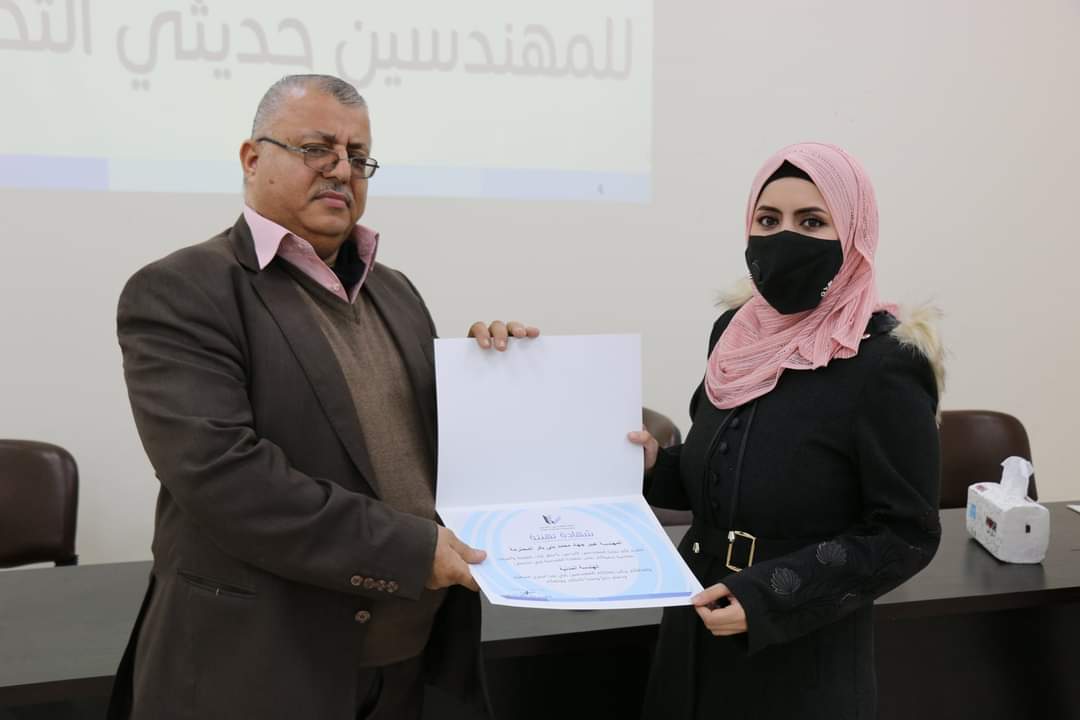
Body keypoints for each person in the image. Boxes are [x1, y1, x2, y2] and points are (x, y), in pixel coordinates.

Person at [108, 74, 536, 720]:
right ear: (252, 158)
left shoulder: (397, 292)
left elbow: (428, 459)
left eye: (358, 157)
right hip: (260, 677)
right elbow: (227, 480)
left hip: (408, 669)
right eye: (317, 149)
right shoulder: (182, 291)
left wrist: (502, 382)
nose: (341, 169)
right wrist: (410, 552)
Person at [629, 143, 944, 719]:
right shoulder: (736, 332)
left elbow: (904, 534)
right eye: (768, 220)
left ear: (854, 234)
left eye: (813, 221)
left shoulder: (885, 362)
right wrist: (655, 466)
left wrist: (767, 596)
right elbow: (719, 475)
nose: (785, 237)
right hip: (692, 624)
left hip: (799, 651)